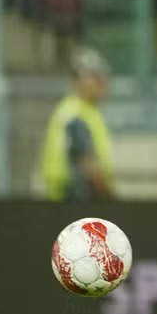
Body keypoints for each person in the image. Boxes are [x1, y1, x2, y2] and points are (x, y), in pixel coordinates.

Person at [38, 48, 116, 203]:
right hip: (75, 202)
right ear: (82, 80)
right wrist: (110, 200)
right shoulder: (77, 115)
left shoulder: (71, 110)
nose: (103, 87)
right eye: (98, 80)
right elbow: (89, 165)